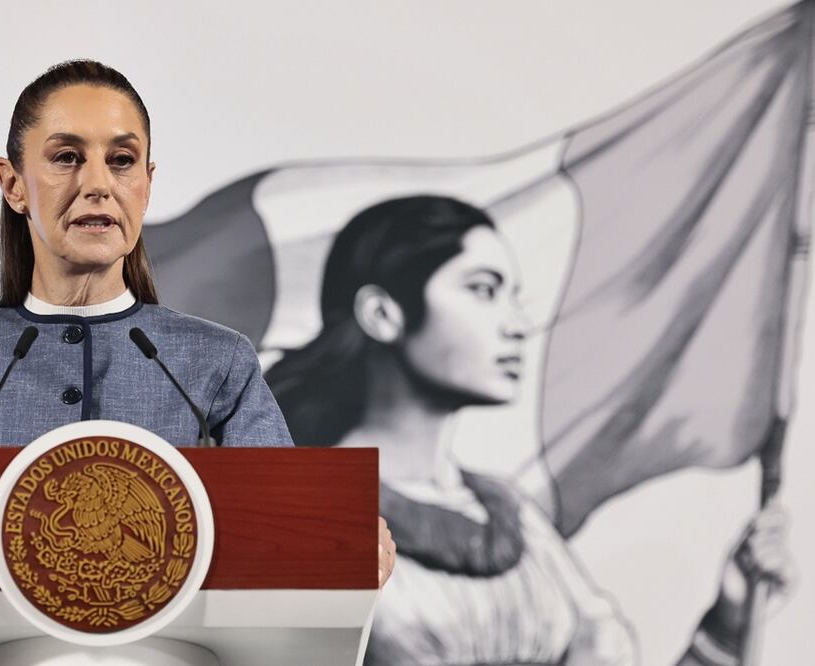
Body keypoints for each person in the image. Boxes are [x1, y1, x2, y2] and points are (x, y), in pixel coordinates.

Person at [0, 59, 397, 611]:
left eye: (122, 160)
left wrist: (342, 539)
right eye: (66, 157)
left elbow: (288, 531)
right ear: (13, 184)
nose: (99, 184)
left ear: (147, 184)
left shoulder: (219, 360)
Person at [265, 195, 794, 666]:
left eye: (513, 296)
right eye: (483, 290)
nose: (517, 324)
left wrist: (727, 622)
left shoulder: (514, 516)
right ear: (383, 314)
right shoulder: (296, 516)